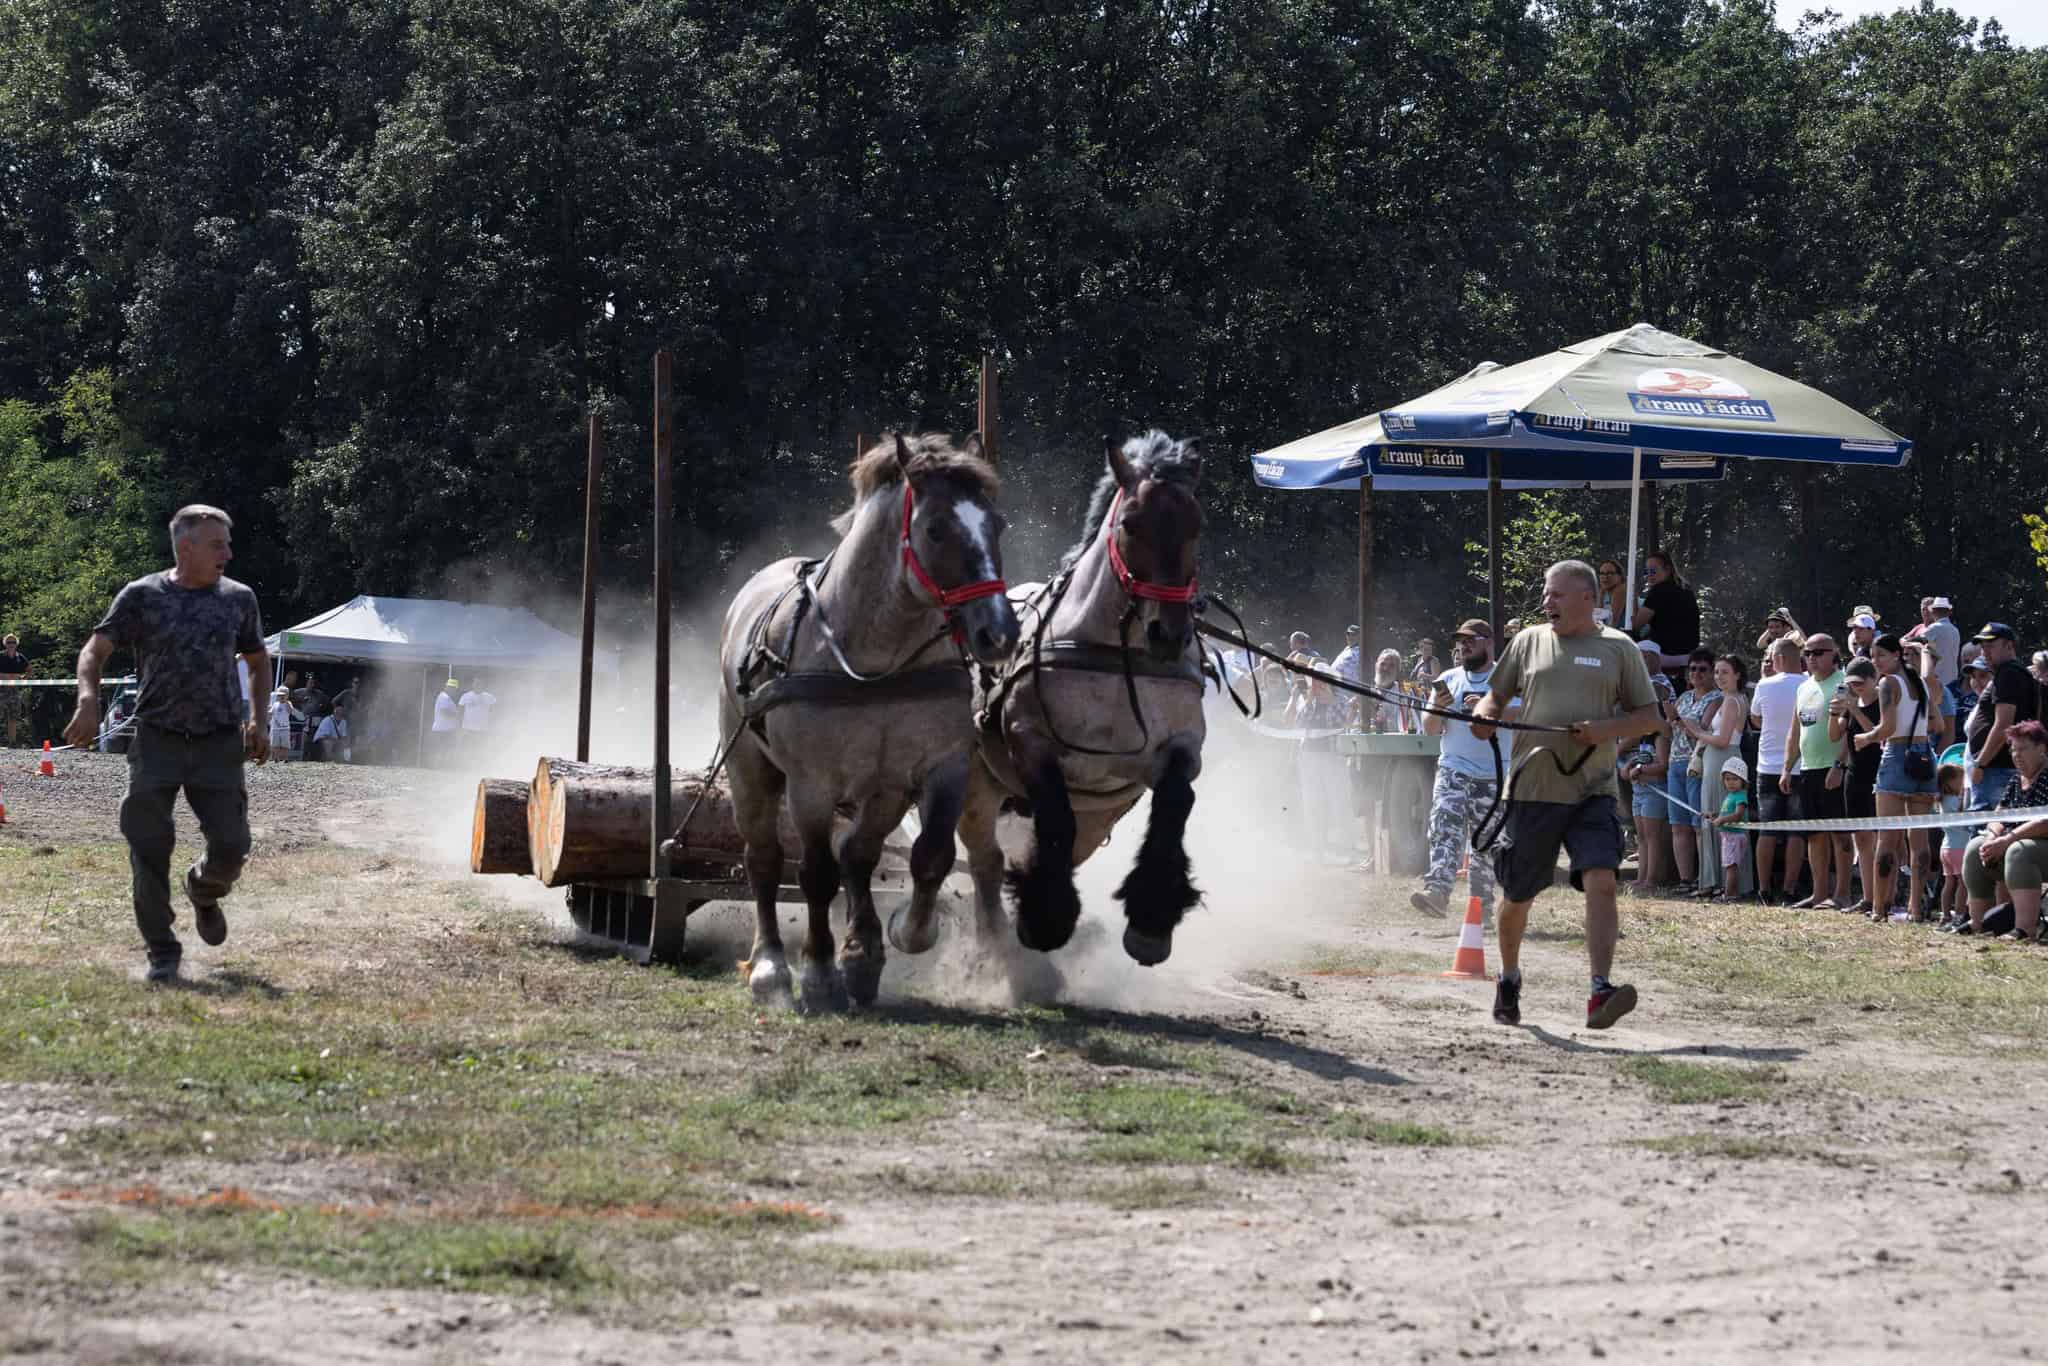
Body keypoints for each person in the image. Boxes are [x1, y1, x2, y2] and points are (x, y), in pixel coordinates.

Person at [62, 505, 269, 984]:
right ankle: (163, 950)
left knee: (233, 846)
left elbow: (258, 661)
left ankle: (203, 888)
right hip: (157, 739)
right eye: (218, 545)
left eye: (228, 544)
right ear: (186, 547)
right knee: (148, 844)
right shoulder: (143, 595)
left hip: (219, 741)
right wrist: (88, 700)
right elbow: (93, 651)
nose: (228, 554)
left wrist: (258, 720)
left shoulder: (239, 599)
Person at [1471, 559, 1661, 1030]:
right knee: (1518, 893)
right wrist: (1483, 714)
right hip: (1533, 787)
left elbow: (1649, 717)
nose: (1546, 602)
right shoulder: (1527, 641)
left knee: (1601, 876)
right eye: (1545, 594)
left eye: (1556, 594)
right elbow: (1493, 697)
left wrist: (1604, 730)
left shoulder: (1619, 648)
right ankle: (1510, 976)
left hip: (1592, 788)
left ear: (1587, 599)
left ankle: (1600, 990)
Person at [1411, 620, 1505, 920]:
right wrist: (1437, 707)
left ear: (1488, 642)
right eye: (1460, 641)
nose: (1463, 646)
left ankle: (1480, 908)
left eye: (1471, 640)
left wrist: (1489, 708)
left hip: (1494, 773)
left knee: (1484, 843)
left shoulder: (1506, 677)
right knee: (1444, 827)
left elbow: (1523, 714)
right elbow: (1429, 730)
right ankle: (1437, 891)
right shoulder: (1448, 679)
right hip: (1454, 768)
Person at [1852, 635, 1940, 922]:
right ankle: (1916, 909)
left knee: (1886, 841)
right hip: (1925, 757)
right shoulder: (1921, 685)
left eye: (1880, 655)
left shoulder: (1889, 683)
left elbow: (1887, 728)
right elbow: (1937, 723)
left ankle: (1879, 908)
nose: (1875, 661)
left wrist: (1865, 738)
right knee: (1920, 843)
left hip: (1898, 757)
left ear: (1896, 655)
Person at [1781, 633, 1851, 910]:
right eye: (1807, 653)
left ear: (1833, 652)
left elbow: (1849, 730)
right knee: (1814, 835)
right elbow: (1795, 730)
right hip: (1808, 769)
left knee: (1840, 834)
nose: (1812, 658)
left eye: (1818, 652)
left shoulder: (1844, 683)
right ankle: (1819, 893)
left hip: (1833, 768)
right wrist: (1787, 767)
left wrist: (1839, 765)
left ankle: (1843, 893)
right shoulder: (1803, 686)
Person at [1961, 721, 2048, 940]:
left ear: (2041, 748)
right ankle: (1979, 923)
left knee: (2020, 851)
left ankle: (2025, 929)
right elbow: (1999, 816)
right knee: (1975, 848)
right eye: (2013, 749)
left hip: (2032, 846)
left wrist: (2007, 840)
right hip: (2012, 843)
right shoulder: (2015, 780)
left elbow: (2044, 822)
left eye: (2023, 749)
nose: (2017, 755)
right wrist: (1992, 838)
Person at [1686, 654, 1750, 898]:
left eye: (1725, 672)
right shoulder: (1728, 700)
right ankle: (1714, 880)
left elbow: (1723, 740)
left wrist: (1696, 731)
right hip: (1714, 761)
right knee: (1712, 815)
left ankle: (1728, 883)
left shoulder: (1734, 701)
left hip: (1724, 761)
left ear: (1737, 675)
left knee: (1724, 817)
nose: (1719, 677)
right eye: (1717, 672)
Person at [1750, 636, 1807, 903]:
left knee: (1767, 830)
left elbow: (1756, 719)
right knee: (1796, 831)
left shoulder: (1764, 684)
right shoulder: (1809, 683)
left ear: (1780, 659)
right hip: (1800, 764)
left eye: (1772, 657)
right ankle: (1789, 889)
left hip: (1768, 765)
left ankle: (1763, 888)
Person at [1965, 623, 2041, 814]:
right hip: (2000, 769)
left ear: (2009, 646)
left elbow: (2003, 725)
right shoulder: (2013, 673)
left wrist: (1980, 763)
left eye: (1991, 646)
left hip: (1996, 770)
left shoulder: (2008, 673)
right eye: (1982, 647)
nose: (1985, 652)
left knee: (1986, 834)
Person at [1828, 658, 1883, 915]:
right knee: (1861, 838)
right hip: (1855, 774)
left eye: (1861, 682)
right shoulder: (1852, 703)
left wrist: (1856, 709)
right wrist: (1835, 712)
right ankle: (1868, 897)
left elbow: (1876, 734)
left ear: (1874, 679)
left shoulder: (1882, 701)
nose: (1857, 687)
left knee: (1880, 838)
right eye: (1852, 683)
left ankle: (1882, 897)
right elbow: (1834, 735)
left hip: (1878, 774)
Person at [1285, 654, 1350, 864]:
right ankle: (1317, 850)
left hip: (1332, 756)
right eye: (1315, 679)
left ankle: (1345, 848)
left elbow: (1341, 722)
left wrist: (1329, 701)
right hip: (1309, 757)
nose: (1317, 683)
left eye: (1321, 679)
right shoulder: (1309, 701)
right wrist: (1309, 700)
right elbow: (1297, 724)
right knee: (1313, 803)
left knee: (1337, 802)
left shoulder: (1340, 701)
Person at [1665, 648, 1721, 891]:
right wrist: (1669, 720)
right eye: (1693, 669)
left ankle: (1704, 878)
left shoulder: (1717, 698)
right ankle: (1685, 879)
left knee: (1699, 824)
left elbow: (1703, 730)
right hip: (1674, 762)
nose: (1696, 673)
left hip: (1697, 764)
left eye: (1702, 669)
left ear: (1712, 672)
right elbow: (1671, 731)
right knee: (1679, 825)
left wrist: (1677, 720)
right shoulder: (1684, 697)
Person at [1621, 639, 1674, 893]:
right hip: (1640, 792)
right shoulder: (1644, 736)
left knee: (1653, 837)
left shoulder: (1660, 736)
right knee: (1642, 837)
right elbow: (1636, 762)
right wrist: (1630, 767)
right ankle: (1641, 878)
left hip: (1655, 791)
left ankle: (1652, 879)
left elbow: (1662, 766)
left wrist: (1640, 771)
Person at [1632, 549, 1699, 672]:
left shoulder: (1659, 591)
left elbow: (1635, 624)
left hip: (1667, 656)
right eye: (1646, 572)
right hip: (1689, 656)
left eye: (1653, 571)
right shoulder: (1685, 588)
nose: (1649, 575)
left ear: (1667, 569)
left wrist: (1633, 596)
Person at [1710, 757, 1752, 899]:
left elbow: (1738, 815)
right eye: (1727, 779)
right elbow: (1726, 813)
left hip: (1734, 836)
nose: (1731, 783)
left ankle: (1727, 895)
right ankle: (1733, 894)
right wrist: (1715, 815)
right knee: (1730, 866)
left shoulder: (1740, 795)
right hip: (1728, 836)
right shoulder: (1730, 795)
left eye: (1735, 779)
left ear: (1743, 781)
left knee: (1731, 866)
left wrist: (1721, 820)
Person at [1935, 762, 1970, 930]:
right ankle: (1959, 914)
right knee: (1963, 883)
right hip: (1960, 848)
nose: (1964, 783)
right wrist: (1965, 796)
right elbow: (1965, 813)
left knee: (1949, 883)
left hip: (1946, 847)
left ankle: (1945, 914)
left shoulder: (1941, 801)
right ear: (1950, 782)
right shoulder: (1955, 800)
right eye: (1962, 780)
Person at [0, 632, 29, 745]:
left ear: (16, 644)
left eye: (13, 642)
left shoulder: (20, 657)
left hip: (14, 690)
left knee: (13, 717)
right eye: (8, 642)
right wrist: (3, 676)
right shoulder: (1, 656)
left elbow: (30, 670)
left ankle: (12, 743)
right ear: (5, 644)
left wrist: (23, 678)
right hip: (1, 690)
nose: (11, 644)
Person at [458, 678, 497, 760]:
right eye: (476, 683)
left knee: (481, 748)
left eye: (479, 683)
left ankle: (478, 765)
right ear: (472, 685)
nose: (477, 685)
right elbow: (460, 710)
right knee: (468, 747)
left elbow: (494, 710)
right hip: (468, 728)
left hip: (482, 728)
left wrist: (491, 722)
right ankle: (466, 763)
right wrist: (459, 725)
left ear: (483, 685)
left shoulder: (489, 697)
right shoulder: (465, 696)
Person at [430, 676, 462, 764]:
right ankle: (439, 765)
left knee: (444, 749)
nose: (454, 691)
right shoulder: (445, 698)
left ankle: (441, 765)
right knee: (443, 749)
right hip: (443, 729)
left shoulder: (445, 697)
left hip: (444, 729)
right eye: (452, 688)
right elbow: (444, 711)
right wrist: (457, 715)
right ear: (448, 687)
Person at [1594, 559, 1630, 631]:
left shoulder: (1621, 589)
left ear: (1620, 576)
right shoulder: (1603, 593)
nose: (1605, 577)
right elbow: (1598, 620)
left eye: (1610, 573)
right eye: (1602, 573)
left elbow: (1613, 623)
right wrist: (1600, 595)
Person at [266, 685, 299, 761]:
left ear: (287, 695)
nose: (281, 697)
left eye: (283, 695)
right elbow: (270, 713)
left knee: (285, 744)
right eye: (279, 695)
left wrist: (287, 703)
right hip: (275, 728)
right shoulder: (275, 704)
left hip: (285, 728)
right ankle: (276, 758)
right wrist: (268, 715)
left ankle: (285, 758)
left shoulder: (288, 703)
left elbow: (291, 711)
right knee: (275, 744)